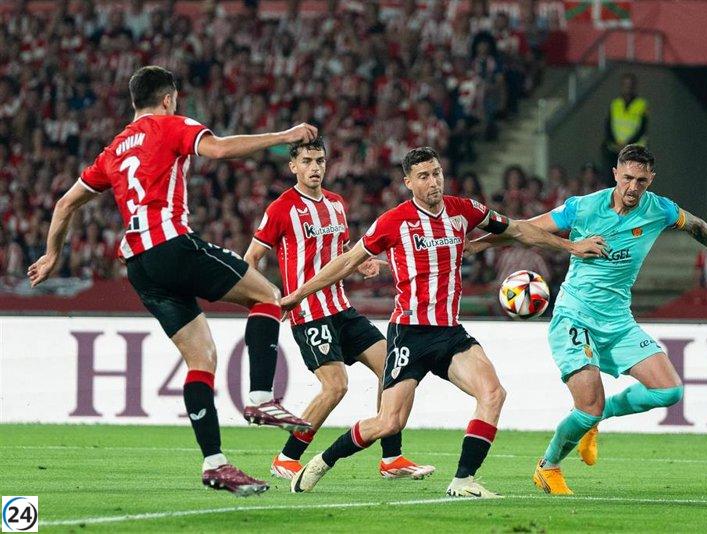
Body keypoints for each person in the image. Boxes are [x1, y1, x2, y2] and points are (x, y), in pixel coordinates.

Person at [27, 66, 316, 496]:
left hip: (140, 267)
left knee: (201, 358)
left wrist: (52, 254)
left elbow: (66, 203)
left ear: (133, 102)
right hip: (172, 244)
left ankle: (215, 463)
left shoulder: (115, 148)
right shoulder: (170, 125)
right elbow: (217, 151)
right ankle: (259, 397)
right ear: (169, 98)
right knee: (268, 296)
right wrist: (283, 136)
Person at [280, 146, 607, 498]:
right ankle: (322, 462)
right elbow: (346, 261)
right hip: (409, 334)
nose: (433, 181)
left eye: (436, 173)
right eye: (423, 176)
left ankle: (463, 481)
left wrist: (571, 246)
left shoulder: (463, 210)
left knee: (493, 393)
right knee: (389, 422)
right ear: (408, 182)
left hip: (450, 333)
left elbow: (517, 230)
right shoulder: (394, 222)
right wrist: (298, 294)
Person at [470, 144, 707, 495]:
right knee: (588, 405)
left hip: (618, 320)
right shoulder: (583, 207)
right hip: (574, 317)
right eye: (627, 178)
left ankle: (596, 420)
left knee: (669, 390)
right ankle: (549, 466)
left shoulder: (658, 208)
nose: (633, 188)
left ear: (651, 180)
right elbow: (523, 229)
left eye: (641, 181)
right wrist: (478, 245)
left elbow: (699, 227)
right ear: (615, 173)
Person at [243, 137, 434, 480]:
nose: (314, 168)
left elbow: (342, 251)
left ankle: (391, 458)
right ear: (293, 166)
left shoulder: (336, 204)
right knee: (335, 386)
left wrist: (363, 264)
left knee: (393, 368)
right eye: (307, 162)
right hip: (309, 312)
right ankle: (287, 457)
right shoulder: (281, 208)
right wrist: (266, 301)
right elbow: (251, 259)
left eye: (319, 161)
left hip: (341, 308)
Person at [602, 74, 648, 183]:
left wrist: (628, 144)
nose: (628, 88)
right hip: (615, 149)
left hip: (635, 151)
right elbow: (608, 125)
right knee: (613, 182)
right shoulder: (615, 104)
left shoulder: (641, 104)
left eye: (630, 85)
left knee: (633, 182)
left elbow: (642, 128)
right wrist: (615, 142)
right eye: (625, 85)